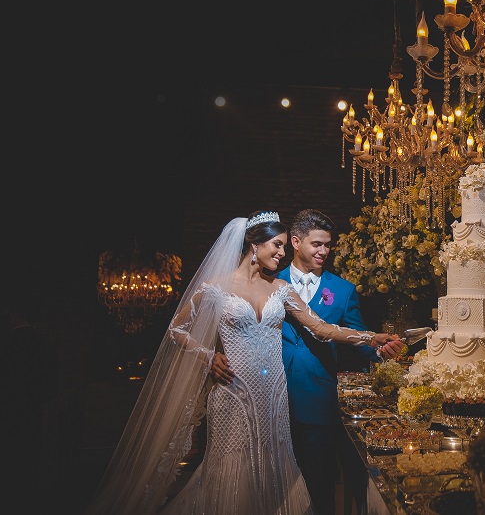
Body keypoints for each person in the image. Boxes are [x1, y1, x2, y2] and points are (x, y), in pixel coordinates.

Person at [86, 210, 401, 515]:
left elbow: (321, 328)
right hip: (232, 390)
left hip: (274, 394)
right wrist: (207, 356)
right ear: (255, 245)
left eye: (283, 245)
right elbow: (176, 330)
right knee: (232, 463)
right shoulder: (216, 287)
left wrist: (370, 337)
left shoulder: (281, 289)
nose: (281, 252)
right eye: (276, 245)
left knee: (274, 462)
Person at [210, 208, 403, 515]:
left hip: (315, 400)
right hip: (259, 397)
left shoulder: (338, 289)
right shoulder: (267, 278)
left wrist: (375, 344)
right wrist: (214, 355)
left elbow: (332, 330)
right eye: (317, 244)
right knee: (255, 481)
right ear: (297, 243)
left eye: (328, 244)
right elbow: (225, 326)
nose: (324, 251)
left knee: (318, 488)